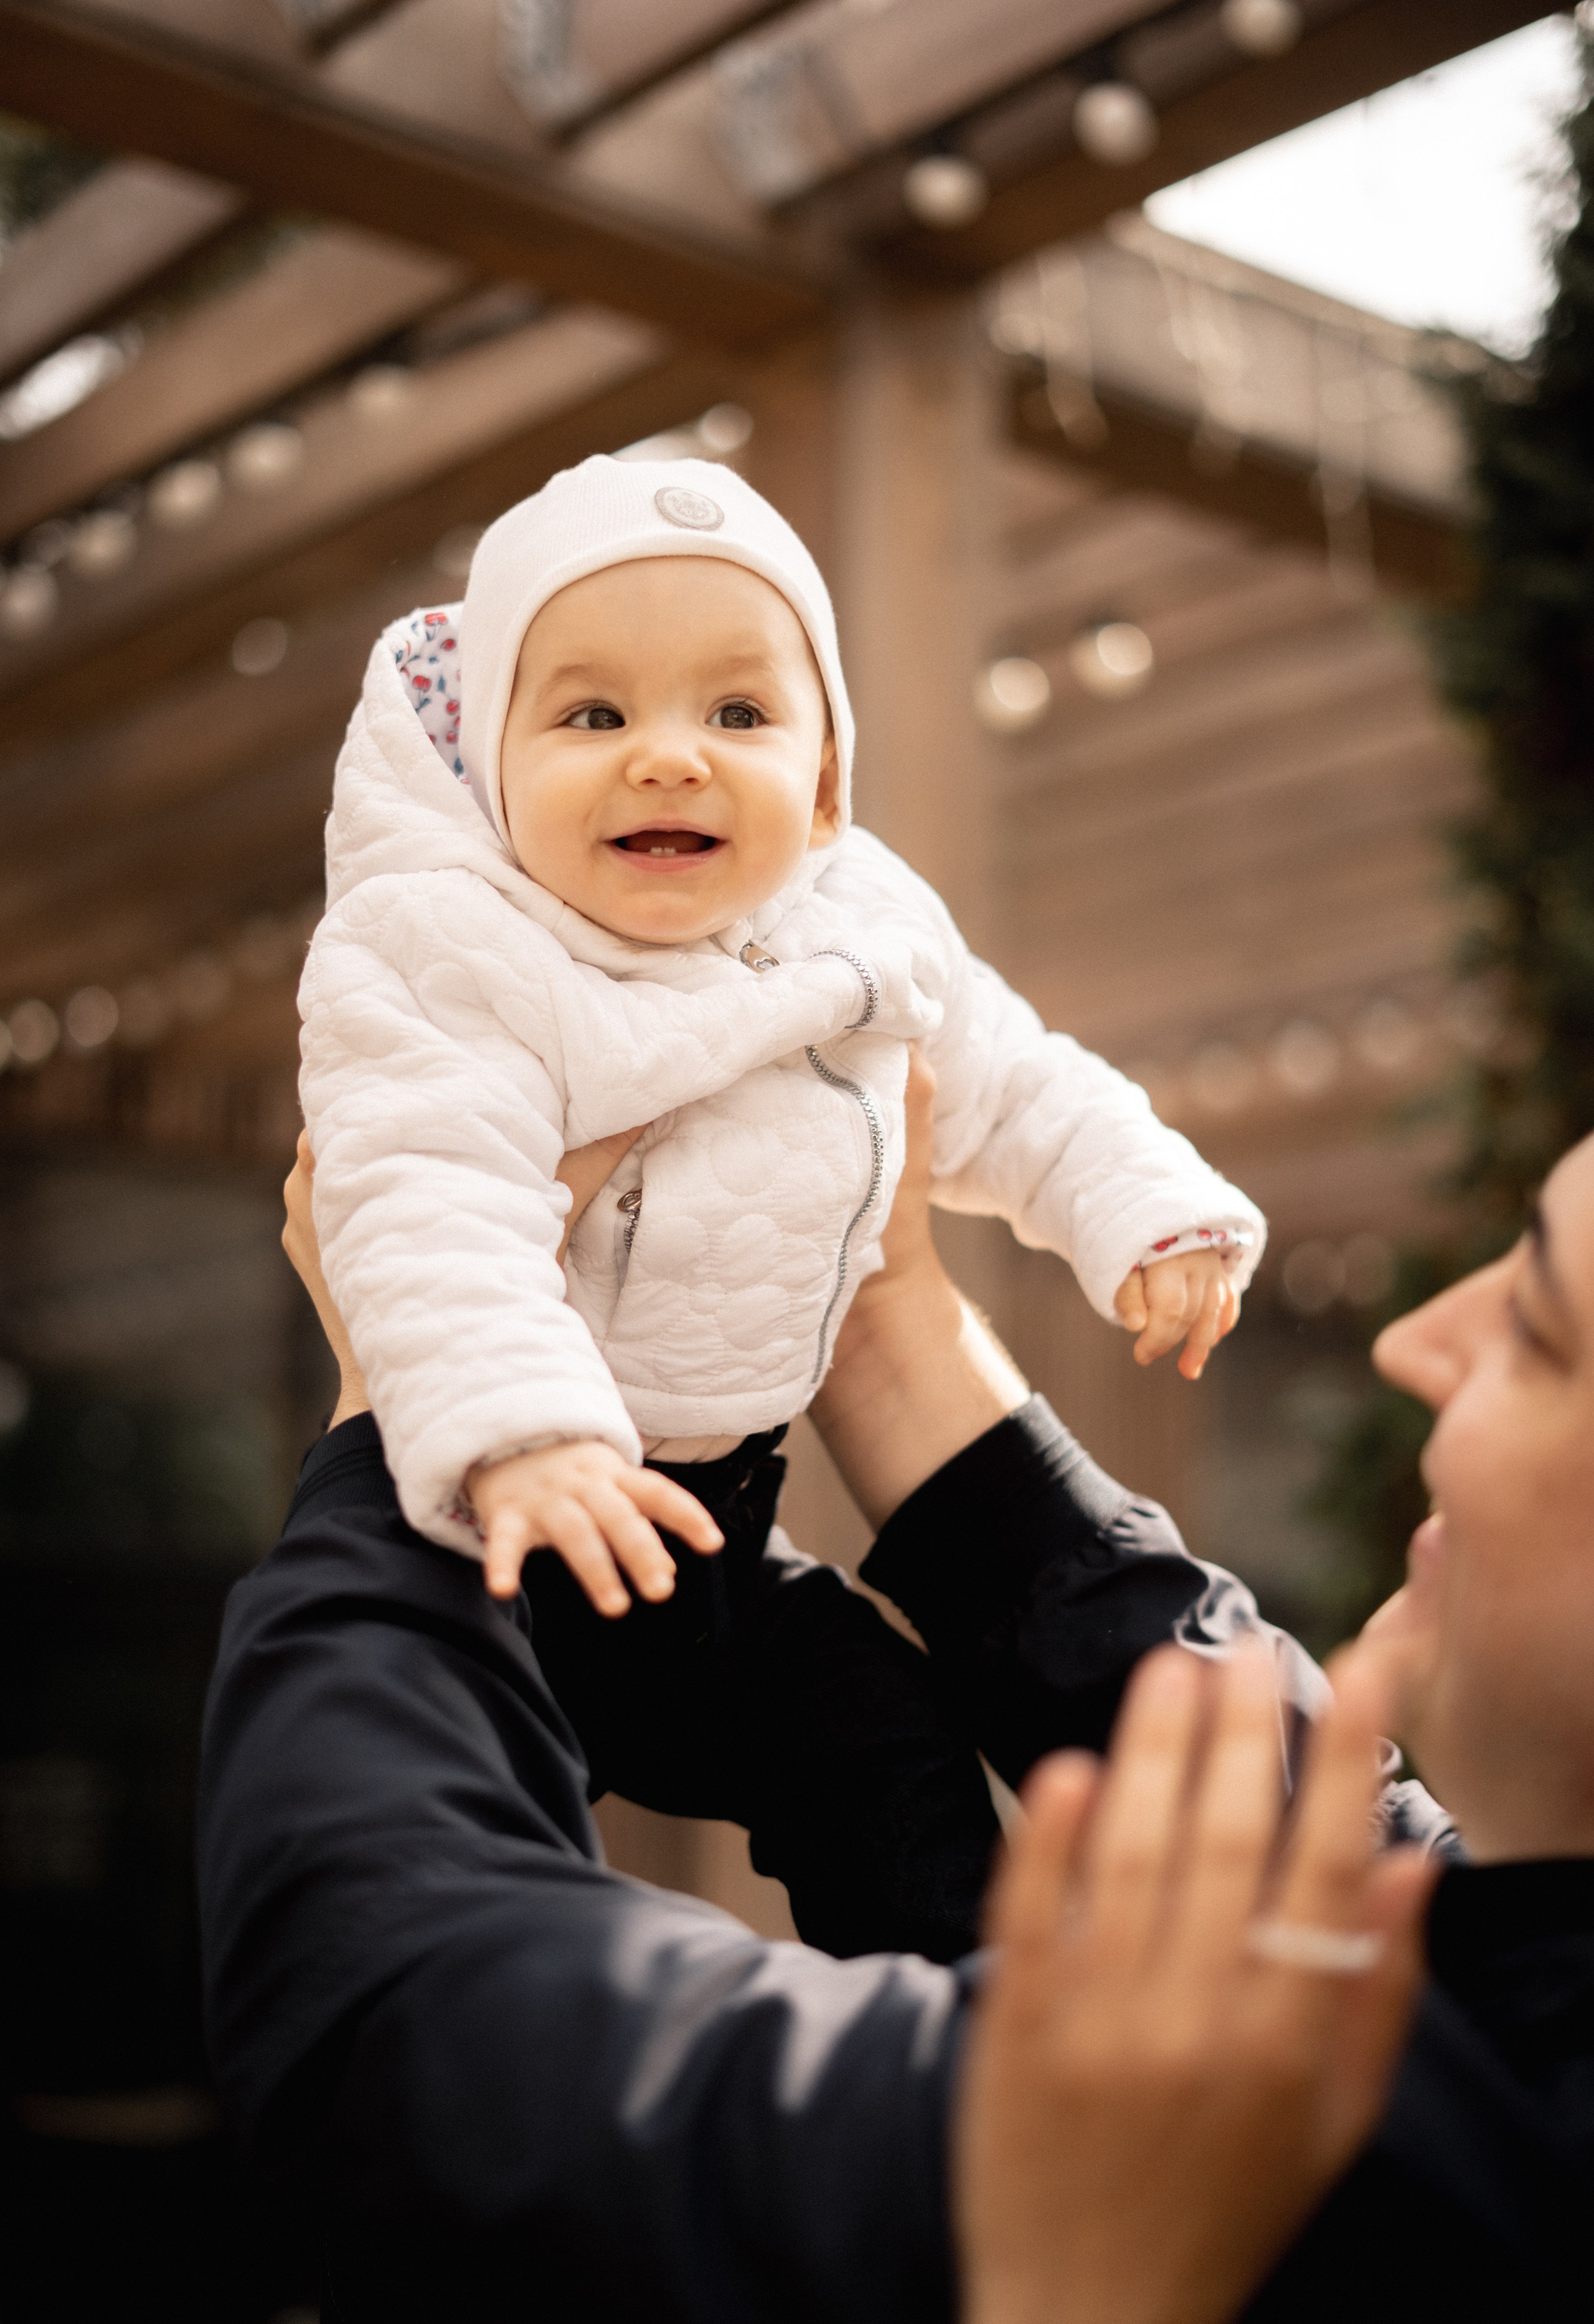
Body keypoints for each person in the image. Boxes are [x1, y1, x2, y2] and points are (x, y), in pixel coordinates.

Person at [198, 1108, 1423, 2324]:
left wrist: (398, 1404)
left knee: (873, 1736)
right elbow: (1332, 1853)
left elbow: (382, 2008)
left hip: (623, 1545)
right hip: (676, 1547)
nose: (1426, 1337)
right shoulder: (1467, 2022)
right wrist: (881, 1303)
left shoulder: (1416, 2078)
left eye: (1541, 1332)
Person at [299, 454, 1265, 1656]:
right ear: (492, 775)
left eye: (739, 714)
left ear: (822, 786)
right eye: (594, 714)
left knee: (890, 1758)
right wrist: (521, 1434)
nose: (668, 757)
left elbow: (1013, 1080)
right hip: (513, 1512)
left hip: (728, 1519)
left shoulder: (863, 920)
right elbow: (430, 1196)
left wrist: (1151, 1206)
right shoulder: (457, 950)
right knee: (486, 1790)